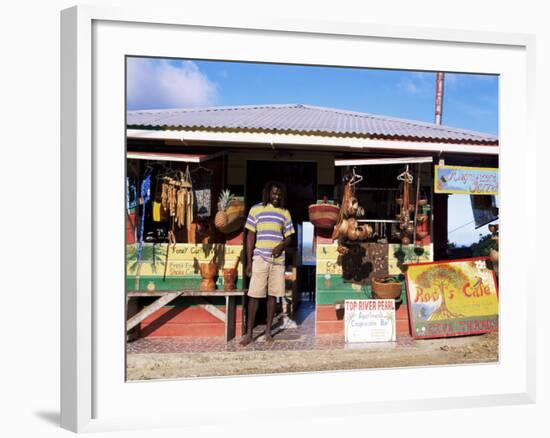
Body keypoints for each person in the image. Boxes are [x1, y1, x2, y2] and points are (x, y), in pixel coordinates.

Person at [239, 181, 295, 345]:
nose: (276, 196)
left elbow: (289, 237)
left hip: (277, 261)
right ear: (267, 193)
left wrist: (281, 245)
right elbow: (250, 237)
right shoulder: (256, 209)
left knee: (272, 297)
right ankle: (249, 334)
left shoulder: (284, 212)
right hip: (260, 258)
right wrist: (249, 262)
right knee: (254, 296)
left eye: (279, 194)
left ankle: (269, 332)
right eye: (274, 193)